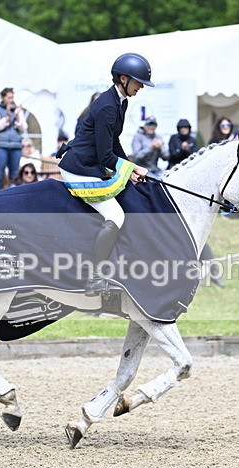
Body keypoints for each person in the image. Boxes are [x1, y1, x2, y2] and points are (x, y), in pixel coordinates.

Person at [58, 52, 151, 295]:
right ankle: (94, 279)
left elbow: (114, 142)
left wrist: (129, 166)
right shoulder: (107, 106)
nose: (141, 87)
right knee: (116, 215)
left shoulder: (121, 102)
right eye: (139, 82)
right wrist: (131, 169)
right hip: (79, 170)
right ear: (123, 79)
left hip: (92, 165)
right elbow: (105, 156)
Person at [0, 87, 27, 192]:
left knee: (15, 175)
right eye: (9, 97)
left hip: (16, 146)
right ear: (2, 98)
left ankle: (13, 196)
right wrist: (7, 116)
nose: (11, 100)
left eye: (12, 97)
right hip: (1, 146)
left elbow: (24, 128)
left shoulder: (17, 110)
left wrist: (17, 116)